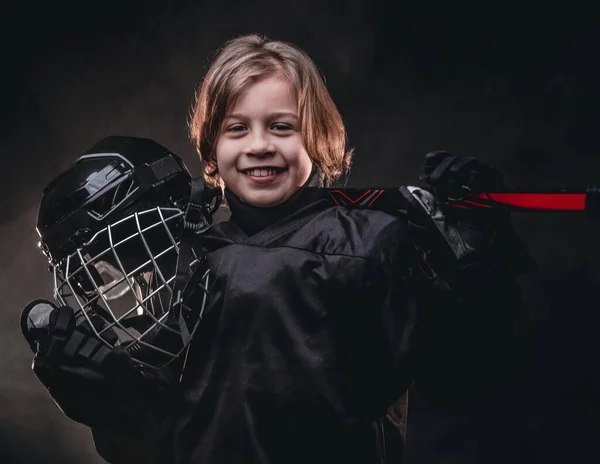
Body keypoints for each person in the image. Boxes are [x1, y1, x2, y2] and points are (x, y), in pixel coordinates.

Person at [24, 34, 535, 464]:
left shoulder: (369, 244)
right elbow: (169, 446)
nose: (259, 145)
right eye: (237, 128)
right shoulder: (187, 265)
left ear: (318, 137)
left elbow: (469, 374)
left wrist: (477, 258)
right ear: (211, 149)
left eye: (282, 126)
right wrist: (111, 404)